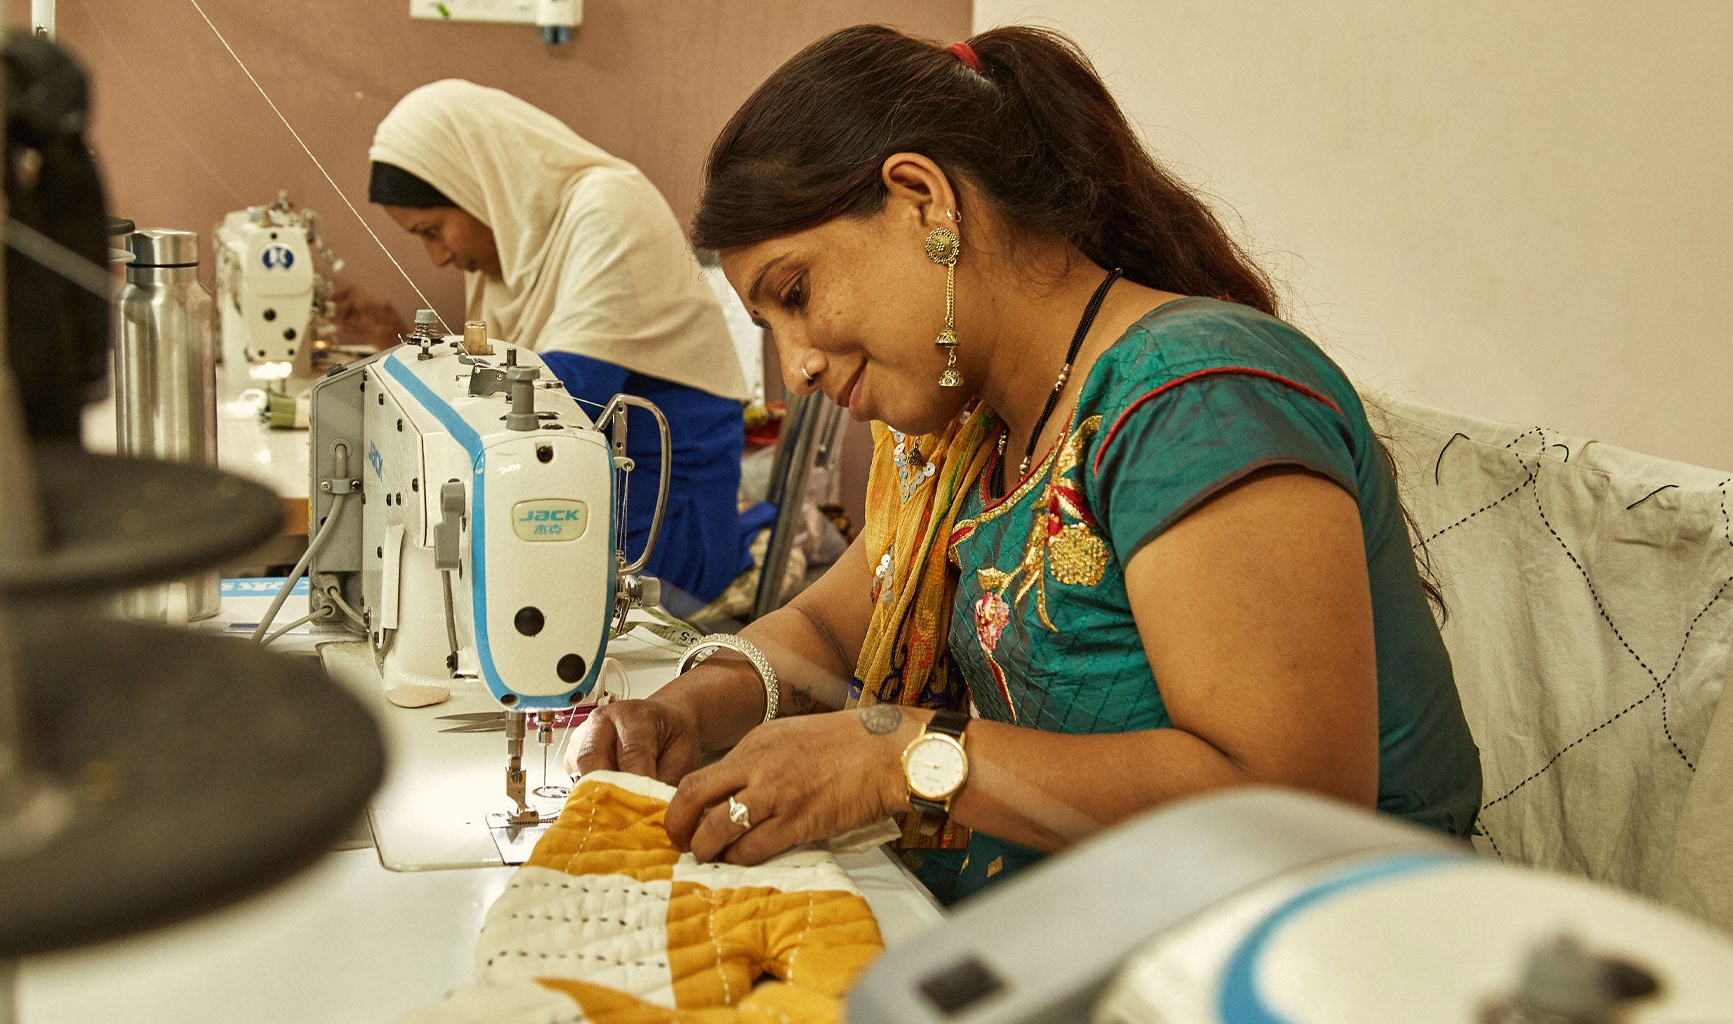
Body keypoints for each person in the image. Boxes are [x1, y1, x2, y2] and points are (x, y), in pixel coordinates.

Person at [570, 25, 1482, 904]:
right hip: (1089, 928)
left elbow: (1290, 803)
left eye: (796, 294)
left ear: (924, 200)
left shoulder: (1197, 399)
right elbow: (830, 632)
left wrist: (896, 755)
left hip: (1305, 963)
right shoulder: (983, 432)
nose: (796, 365)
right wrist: (694, 705)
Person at [364, 79, 754, 609]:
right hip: (576, 503)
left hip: (656, 533)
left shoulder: (608, 209)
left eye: (433, 231)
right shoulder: (516, 249)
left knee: (446, 595)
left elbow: (545, 406)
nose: (436, 258)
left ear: (480, 182)